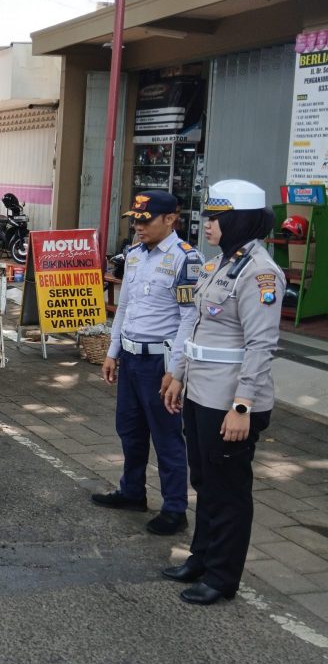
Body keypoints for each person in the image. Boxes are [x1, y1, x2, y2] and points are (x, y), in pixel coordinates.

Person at [161, 179, 282, 605]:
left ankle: (222, 577)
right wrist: (177, 373)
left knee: (229, 491)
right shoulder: (219, 264)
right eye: (208, 216)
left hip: (231, 402)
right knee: (205, 480)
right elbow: (194, 324)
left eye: (216, 218)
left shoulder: (261, 273)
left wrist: (242, 406)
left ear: (239, 221)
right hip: (200, 393)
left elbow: (261, 346)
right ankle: (201, 557)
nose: (207, 224)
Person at [91, 190, 201, 535]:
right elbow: (124, 307)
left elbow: (189, 319)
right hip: (131, 358)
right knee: (130, 430)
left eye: (145, 220)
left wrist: (177, 370)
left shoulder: (187, 259)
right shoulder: (135, 255)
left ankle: (174, 509)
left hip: (161, 364)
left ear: (170, 219)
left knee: (167, 437)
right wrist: (112, 351)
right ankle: (132, 491)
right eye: (134, 220)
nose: (138, 226)